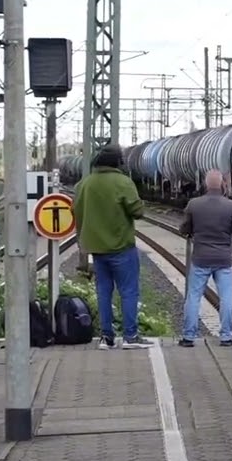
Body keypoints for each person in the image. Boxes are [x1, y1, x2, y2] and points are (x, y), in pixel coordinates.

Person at [71, 143, 153, 350]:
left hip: (97, 250)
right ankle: (130, 336)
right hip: (121, 247)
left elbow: (75, 211)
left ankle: (106, 338)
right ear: (118, 162)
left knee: (104, 292)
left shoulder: (84, 184)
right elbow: (137, 212)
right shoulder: (123, 182)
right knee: (128, 292)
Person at [178, 169, 232, 347]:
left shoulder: (194, 204)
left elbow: (183, 229)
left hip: (200, 258)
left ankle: (189, 336)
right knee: (226, 297)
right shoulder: (231, 206)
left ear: (205, 184)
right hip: (223, 260)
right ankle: (226, 336)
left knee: (193, 297)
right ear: (223, 184)